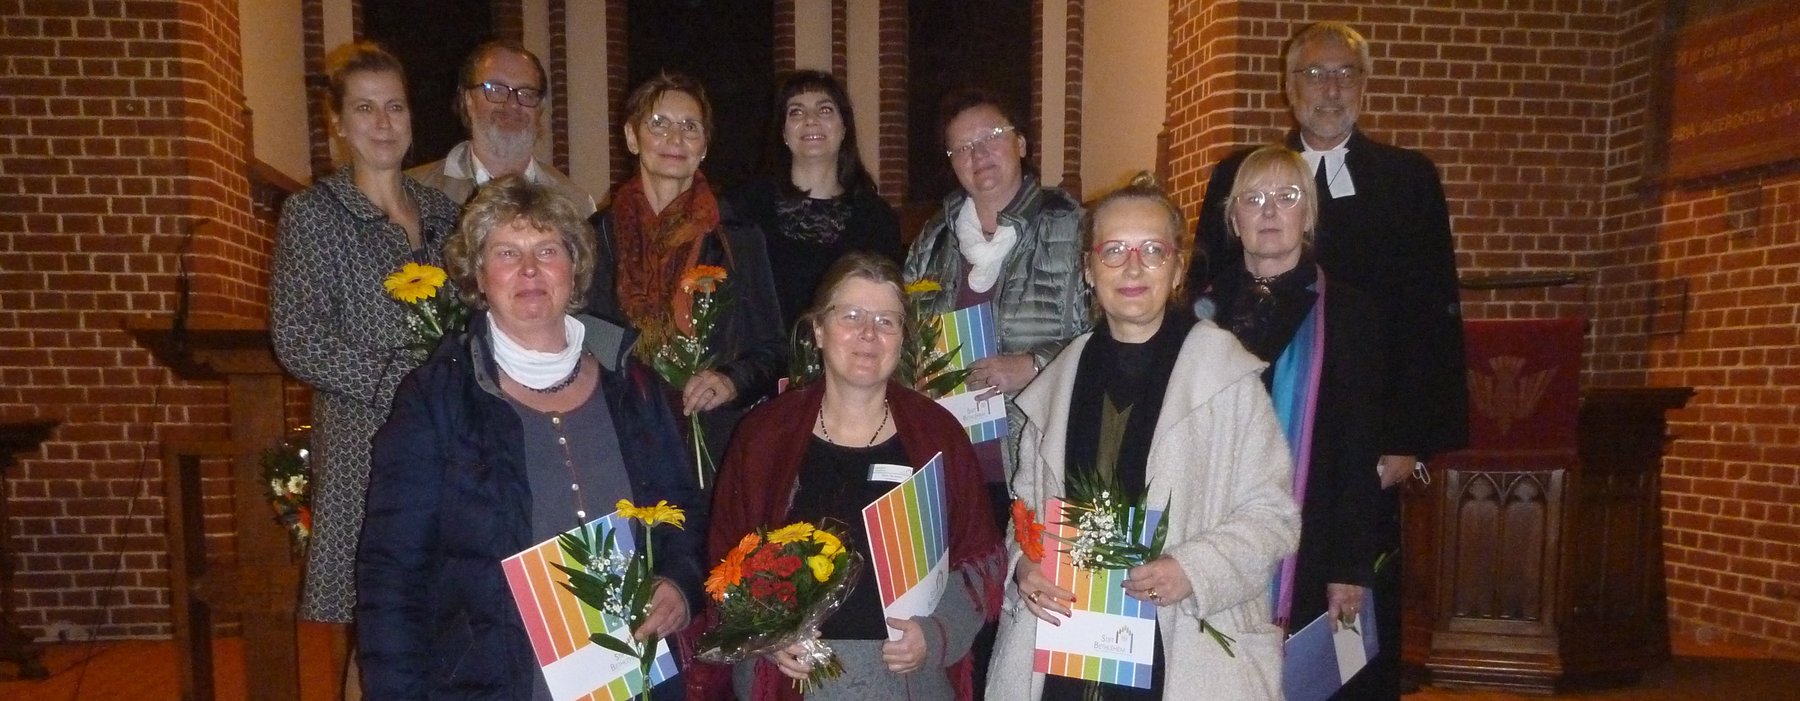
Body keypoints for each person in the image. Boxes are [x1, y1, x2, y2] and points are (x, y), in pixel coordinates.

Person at [1186, 23, 1470, 697]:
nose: (1330, 87)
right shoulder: (1243, 176)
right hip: (1254, 430)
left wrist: (1407, 437)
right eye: (1314, 73)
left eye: (1345, 73)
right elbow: (1206, 293)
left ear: (1365, 85)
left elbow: (1430, 315)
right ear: (1290, 88)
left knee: (1345, 604)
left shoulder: (1406, 180)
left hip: (1360, 435)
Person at [357, 177, 704, 699]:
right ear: (479, 275)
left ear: (574, 268)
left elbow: (684, 511)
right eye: (506, 253)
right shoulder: (436, 399)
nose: (529, 270)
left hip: (633, 681)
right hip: (491, 684)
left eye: (547, 250)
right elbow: (392, 575)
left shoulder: (633, 385)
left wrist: (679, 583)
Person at [988, 175, 1300, 700]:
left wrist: (1193, 569)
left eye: (1152, 250)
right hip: (1065, 651)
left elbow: (1273, 516)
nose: (1133, 268)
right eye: (1114, 251)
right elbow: (1026, 510)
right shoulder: (1058, 381)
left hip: (1180, 650)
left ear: (1177, 268)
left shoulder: (1224, 378)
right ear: (1088, 269)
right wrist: (1026, 564)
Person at [708, 251, 1005, 701]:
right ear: (818, 329)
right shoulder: (765, 435)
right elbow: (725, 562)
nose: (869, 334)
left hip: (907, 684)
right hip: (795, 683)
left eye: (887, 321)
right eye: (851, 316)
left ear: (902, 338)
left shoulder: (937, 434)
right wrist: (765, 633)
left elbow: (979, 559)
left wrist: (936, 633)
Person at [269, 42, 461, 696]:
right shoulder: (314, 215)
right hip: (366, 445)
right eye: (365, 108)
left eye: (395, 107)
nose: (383, 123)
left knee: (445, 612)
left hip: (447, 441)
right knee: (378, 628)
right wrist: (397, 384)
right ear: (338, 123)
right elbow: (298, 337)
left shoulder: (446, 216)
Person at [1198, 147, 1385, 690]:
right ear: (1234, 219)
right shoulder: (1200, 312)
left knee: (1303, 686)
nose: (1269, 211)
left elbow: (1357, 446)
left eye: (1287, 196)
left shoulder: (1349, 312)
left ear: (1309, 214)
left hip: (1313, 538)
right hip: (1213, 531)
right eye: (1253, 198)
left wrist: (1350, 566)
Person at [902, 88, 1091, 519]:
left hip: (1040, 459)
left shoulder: (1074, 229)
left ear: (1021, 143)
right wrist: (915, 375)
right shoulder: (932, 241)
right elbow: (902, 331)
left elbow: (1112, 334)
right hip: (951, 465)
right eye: (963, 147)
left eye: (991, 136)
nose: (979, 153)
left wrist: (1036, 364)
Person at [586, 71, 784, 475]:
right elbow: (576, 332)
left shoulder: (739, 238)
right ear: (631, 137)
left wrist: (730, 380)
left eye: (690, 127)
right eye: (658, 123)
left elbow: (774, 349)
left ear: (704, 146)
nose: (675, 138)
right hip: (620, 439)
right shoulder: (592, 236)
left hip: (711, 445)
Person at [729, 70, 903, 331]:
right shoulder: (745, 209)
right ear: (783, 132)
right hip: (760, 356)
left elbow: (888, 306)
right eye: (796, 112)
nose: (811, 120)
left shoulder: (877, 219)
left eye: (825, 110)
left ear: (844, 128)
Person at [410, 39, 596, 215]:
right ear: (468, 100)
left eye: (526, 93)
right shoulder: (414, 193)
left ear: (540, 108)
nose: (512, 104)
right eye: (496, 90)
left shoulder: (575, 204)